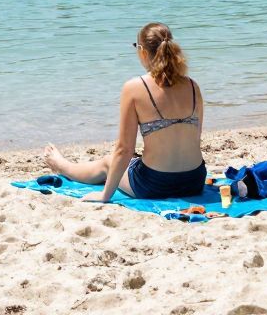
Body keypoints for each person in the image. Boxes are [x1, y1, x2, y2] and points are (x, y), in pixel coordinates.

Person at [43, 22, 205, 202]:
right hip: (194, 181)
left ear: (142, 51)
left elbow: (124, 149)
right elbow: (194, 138)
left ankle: (61, 165)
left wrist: (105, 195)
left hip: (155, 184)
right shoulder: (193, 86)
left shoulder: (135, 87)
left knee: (108, 162)